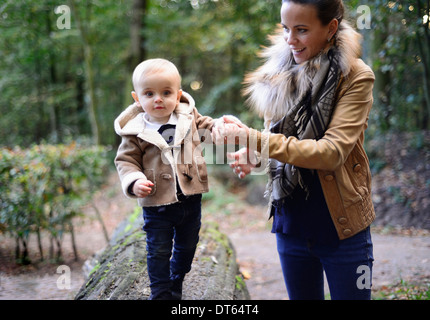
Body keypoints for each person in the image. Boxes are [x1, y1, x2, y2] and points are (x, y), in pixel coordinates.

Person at [213, 0, 375, 300]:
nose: (290, 40)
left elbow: (331, 153)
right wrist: (254, 155)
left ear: (331, 28)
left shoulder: (356, 77)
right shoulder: (279, 73)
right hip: (290, 223)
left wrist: (254, 140)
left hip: (342, 229)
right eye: (286, 28)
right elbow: (278, 139)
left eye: (301, 30)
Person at [114, 58, 217, 300]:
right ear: (137, 98)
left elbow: (206, 126)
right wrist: (134, 180)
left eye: (166, 92)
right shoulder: (135, 130)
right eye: (149, 93)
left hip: (190, 199)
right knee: (158, 250)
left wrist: (222, 127)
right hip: (156, 202)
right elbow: (125, 161)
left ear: (178, 94)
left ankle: (177, 278)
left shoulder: (186, 116)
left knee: (187, 246)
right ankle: (160, 294)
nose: (158, 99)